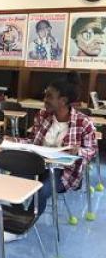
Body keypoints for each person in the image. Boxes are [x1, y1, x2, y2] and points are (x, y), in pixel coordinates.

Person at [11, 72, 97, 216]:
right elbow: (34, 142)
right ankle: (16, 217)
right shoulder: (42, 115)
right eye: (45, 95)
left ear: (63, 100)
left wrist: (79, 151)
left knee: (41, 192)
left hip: (62, 171)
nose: (44, 100)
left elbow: (92, 151)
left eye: (49, 96)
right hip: (37, 164)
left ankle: (24, 222)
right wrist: (15, 141)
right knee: (12, 181)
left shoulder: (83, 122)